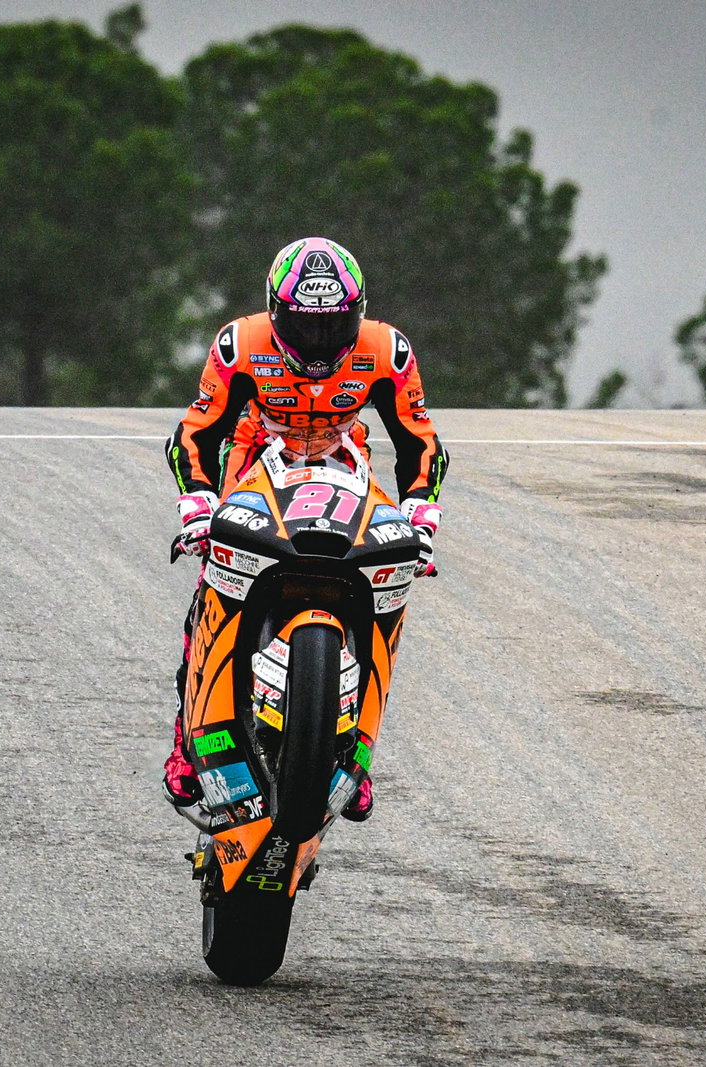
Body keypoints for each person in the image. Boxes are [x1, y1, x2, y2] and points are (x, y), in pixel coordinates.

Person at [163, 236, 449, 820]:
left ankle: (355, 754)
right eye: (303, 326)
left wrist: (421, 514)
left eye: (333, 327)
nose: (318, 345)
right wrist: (197, 505)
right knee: (213, 587)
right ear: (276, 311)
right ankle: (190, 750)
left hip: (347, 463)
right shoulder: (237, 344)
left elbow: (420, 442)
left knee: (391, 578)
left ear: (358, 314)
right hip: (256, 462)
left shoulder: (388, 351)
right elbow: (196, 434)